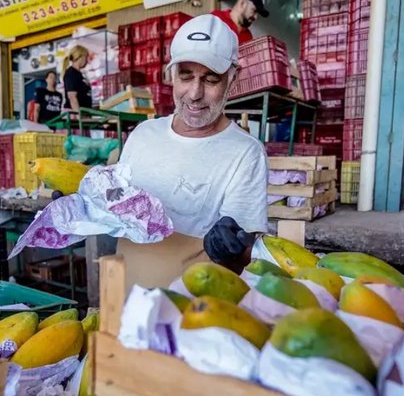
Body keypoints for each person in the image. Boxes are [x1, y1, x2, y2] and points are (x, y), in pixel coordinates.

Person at [118, 14, 268, 270]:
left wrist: (233, 248)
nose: (195, 94)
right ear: (172, 75)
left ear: (233, 78)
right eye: (186, 77)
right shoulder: (143, 135)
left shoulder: (246, 153)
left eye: (210, 79)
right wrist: (80, 204)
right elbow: (114, 206)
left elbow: (246, 253)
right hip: (125, 296)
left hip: (194, 304)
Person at [63, 45, 92, 112]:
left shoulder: (80, 74)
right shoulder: (71, 73)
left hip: (85, 112)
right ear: (80, 57)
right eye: (86, 57)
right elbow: (72, 97)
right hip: (75, 114)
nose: (87, 60)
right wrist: (78, 115)